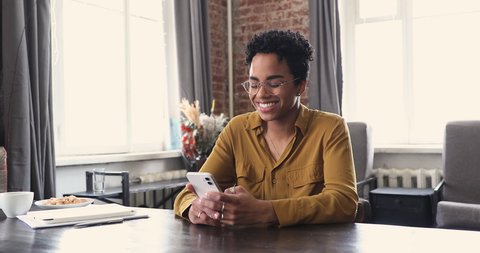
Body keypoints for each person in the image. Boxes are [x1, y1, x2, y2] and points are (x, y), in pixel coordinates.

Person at [174, 29, 358, 227]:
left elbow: (344, 202)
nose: (261, 94)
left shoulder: (330, 128)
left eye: (274, 83)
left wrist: (269, 211)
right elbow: (188, 193)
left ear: (300, 86)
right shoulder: (237, 129)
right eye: (254, 85)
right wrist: (195, 208)